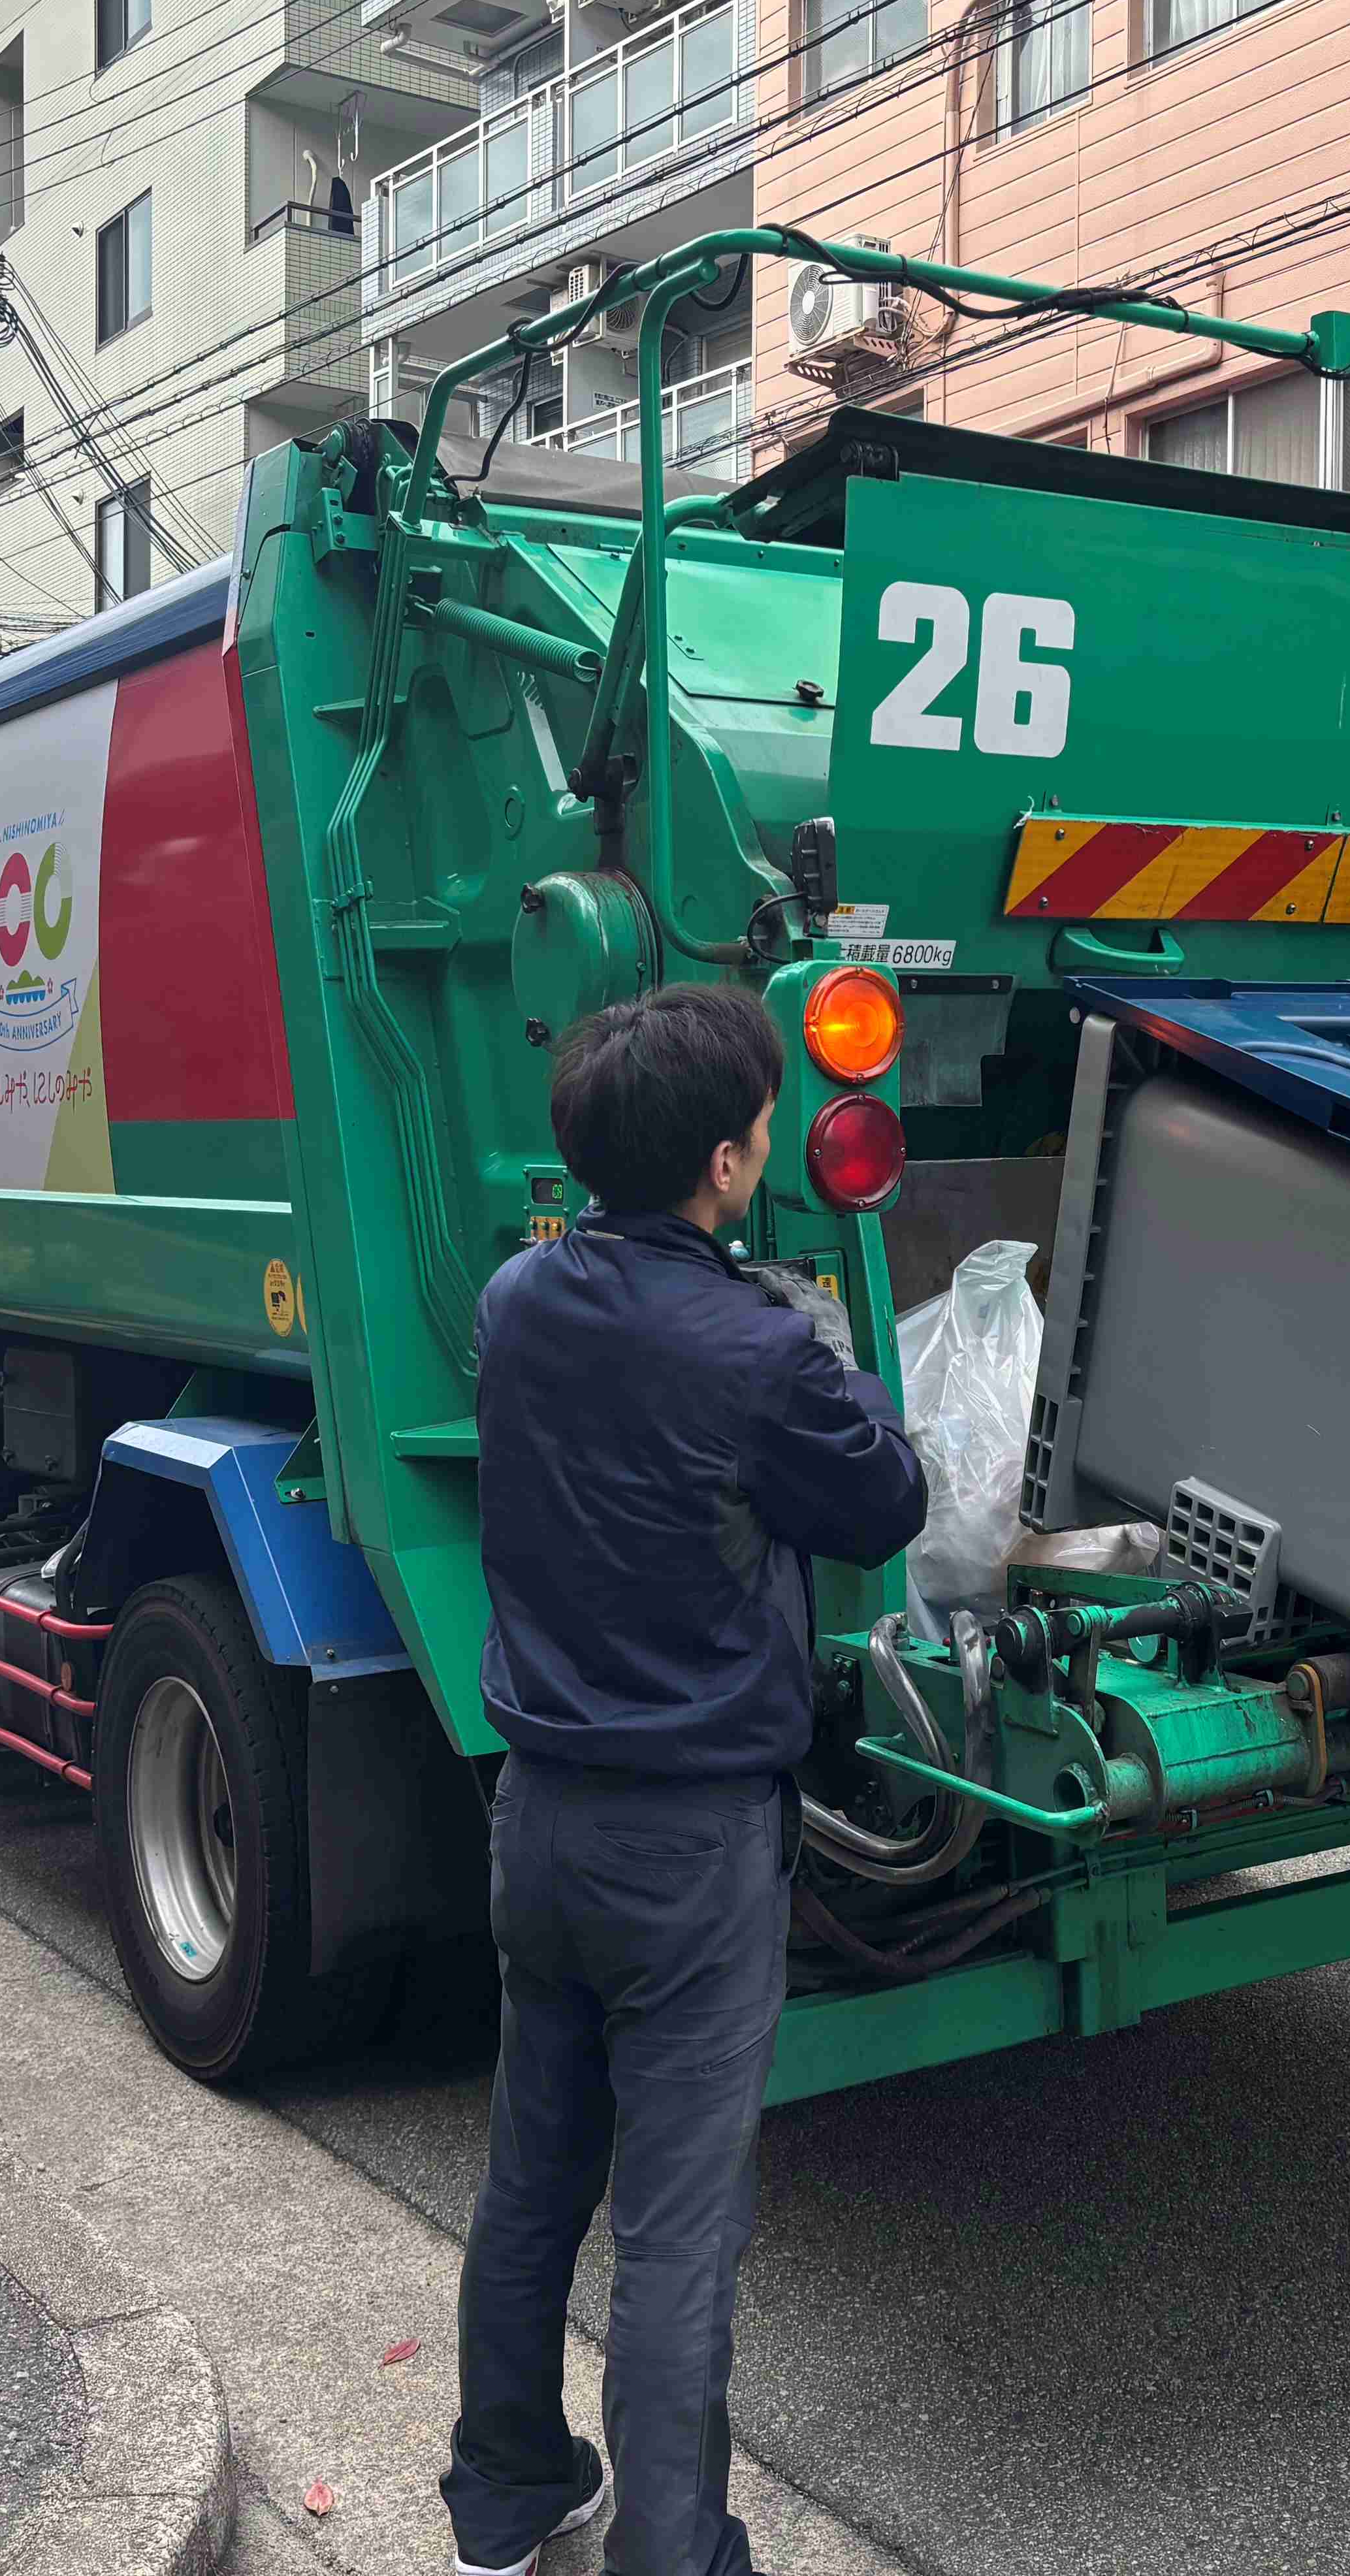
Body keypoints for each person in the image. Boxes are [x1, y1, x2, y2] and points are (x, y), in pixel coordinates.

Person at [444, 984, 927, 2576]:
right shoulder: (756, 1346)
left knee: (532, 2181)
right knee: (675, 2236)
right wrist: (824, 1352)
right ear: (727, 1163)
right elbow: (884, 1505)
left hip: (542, 1818)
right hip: (692, 1849)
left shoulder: (521, 1298)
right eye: (767, 1126)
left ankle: (509, 2499)